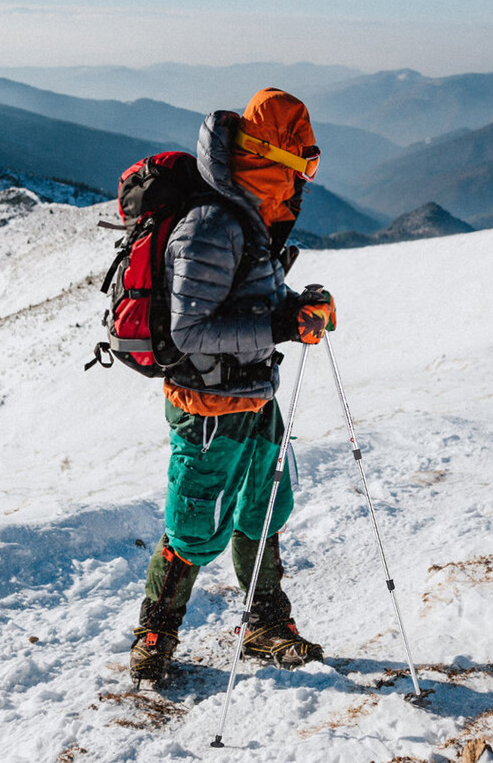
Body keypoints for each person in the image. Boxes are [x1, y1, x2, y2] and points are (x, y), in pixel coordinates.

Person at [130, 88, 336, 685]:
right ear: (271, 160)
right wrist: (278, 324)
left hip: (254, 395)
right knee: (194, 524)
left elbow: (251, 300)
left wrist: (298, 308)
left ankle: (266, 625)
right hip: (208, 406)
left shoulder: (247, 214)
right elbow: (190, 330)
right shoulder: (213, 223)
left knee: (263, 508)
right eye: (301, 167)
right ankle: (155, 635)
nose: (305, 184)